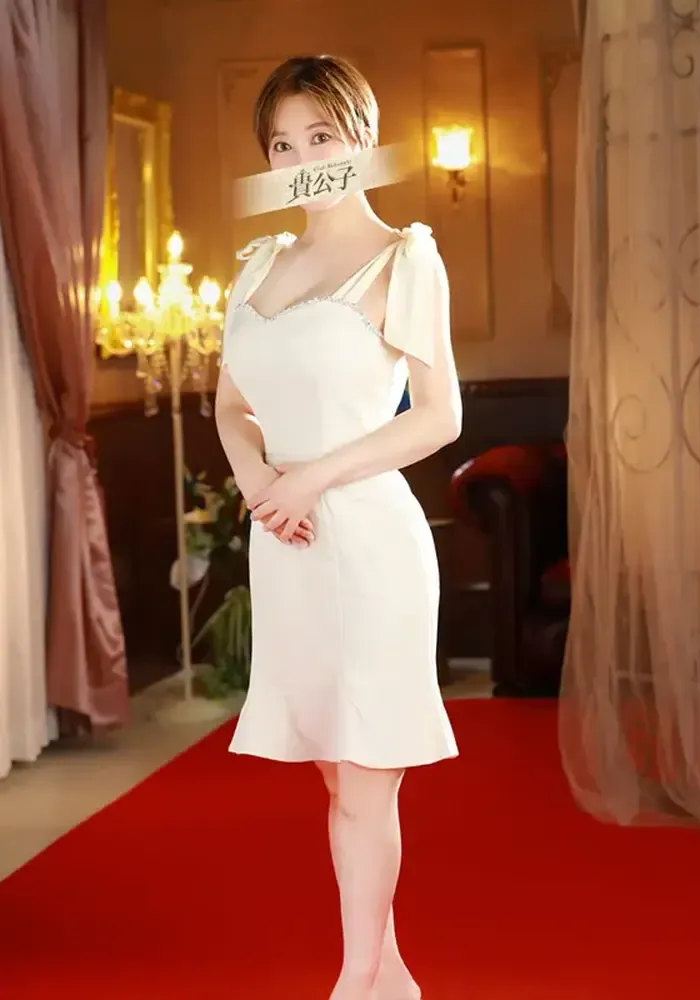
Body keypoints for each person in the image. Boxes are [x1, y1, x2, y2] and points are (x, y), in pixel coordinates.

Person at [215, 54, 461, 1000]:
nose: (302, 159)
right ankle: (388, 975)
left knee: (366, 775)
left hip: (366, 544)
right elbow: (231, 406)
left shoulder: (405, 258)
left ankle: (355, 981)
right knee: (332, 770)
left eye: (321, 136)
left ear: (362, 136)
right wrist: (259, 483)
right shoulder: (257, 266)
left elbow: (438, 418)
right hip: (286, 545)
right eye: (283, 144)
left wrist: (312, 477)